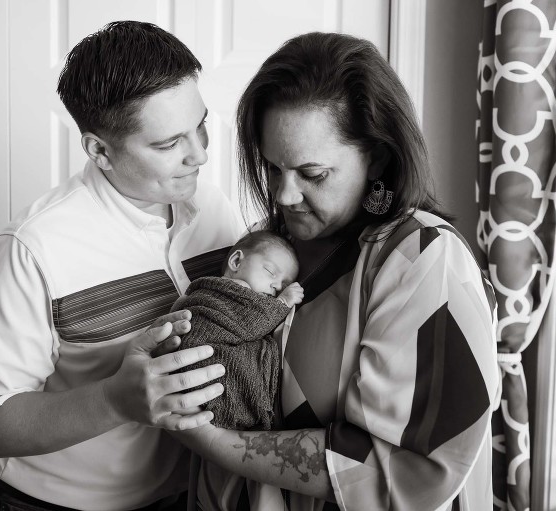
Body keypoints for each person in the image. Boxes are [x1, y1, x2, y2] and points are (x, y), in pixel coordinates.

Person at [173, 32, 499, 510]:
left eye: (313, 174)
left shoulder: (423, 259)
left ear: (377, 158)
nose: (284, 195)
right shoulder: (269, 241)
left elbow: (407, 469)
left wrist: (211, 440)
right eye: (272, 168)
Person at [0, 21, 245, 511]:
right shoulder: (30, 250)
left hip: (194, 495)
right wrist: (113, 400)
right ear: (99, 150)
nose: (199, 155)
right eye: (168, 144)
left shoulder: (214, 208)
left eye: (200, 126)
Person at [171, 230, 303, 431]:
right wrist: (283, 302)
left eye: (284, 285)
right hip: (206, 374)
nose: (277, 286)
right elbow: (249, 323)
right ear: (236, 261)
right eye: (270, 272)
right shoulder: (231, 290)